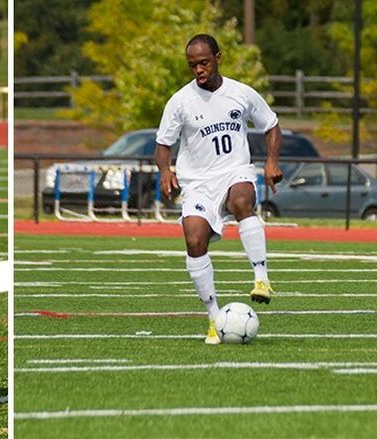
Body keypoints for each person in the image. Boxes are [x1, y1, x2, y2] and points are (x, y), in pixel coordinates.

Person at [154, 34, 283, 345]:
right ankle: (214, 318)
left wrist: (270, 162)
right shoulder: (180, 101)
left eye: (204, 62)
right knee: (194, 239)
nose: (199, 69)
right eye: (192, 65)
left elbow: (271, 124)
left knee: (242, 201)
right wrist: (164, 171)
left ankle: (262, 279)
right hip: (197, 184)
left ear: (218, 58)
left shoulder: (241, 93)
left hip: (234, 171)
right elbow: (162, 144)